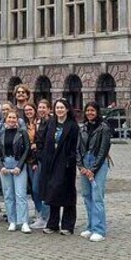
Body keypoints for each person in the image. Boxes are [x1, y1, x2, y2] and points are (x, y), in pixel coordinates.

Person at [40, 99, 79, 236]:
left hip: (66, 164)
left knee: (67, 193)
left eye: (62, 108)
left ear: (67, 109)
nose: (60, 110)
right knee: (53, 193)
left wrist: (70, 161)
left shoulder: (73, 126)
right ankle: (53, 223)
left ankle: (68, 224)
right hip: (51, 163)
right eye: (57, 108)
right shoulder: (51, 124)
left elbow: (75, 147)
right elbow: (43, 140)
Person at [77, 102, 112, 242]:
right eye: (88, 110)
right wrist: (80, 165)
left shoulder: (103, 128)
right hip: (85, 162)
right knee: (87, 195)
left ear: (97, 112)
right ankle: (90, 226)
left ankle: (99, 229)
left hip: (98, 163)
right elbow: (78, 148)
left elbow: (103, 150)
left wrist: (93, 169)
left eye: (92, 110)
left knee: (97, 196)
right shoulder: (83, 128)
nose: (90, 113)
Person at [0, 110, 32, 233]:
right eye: (9, 118)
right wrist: (1, 166)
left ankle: (24, 222)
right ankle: (12, 221)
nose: (11, 120)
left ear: (17, 120)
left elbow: (27, 149)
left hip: (18, 164)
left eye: (14, 118)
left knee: (20, 194)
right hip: (5, 165)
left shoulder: (22, 133)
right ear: (5, 119)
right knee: (8, 194)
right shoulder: (0, 133)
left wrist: (20, 166)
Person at [30, 99, 51, 229]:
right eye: (40, 107)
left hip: (47, 161)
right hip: (39, 160)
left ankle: (47, 217)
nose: (42, 110)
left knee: (45, 190)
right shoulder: (41, 123)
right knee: (36, 189)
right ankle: (42, 216)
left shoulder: (51, 123)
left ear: (49, 109)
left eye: (44, 107)